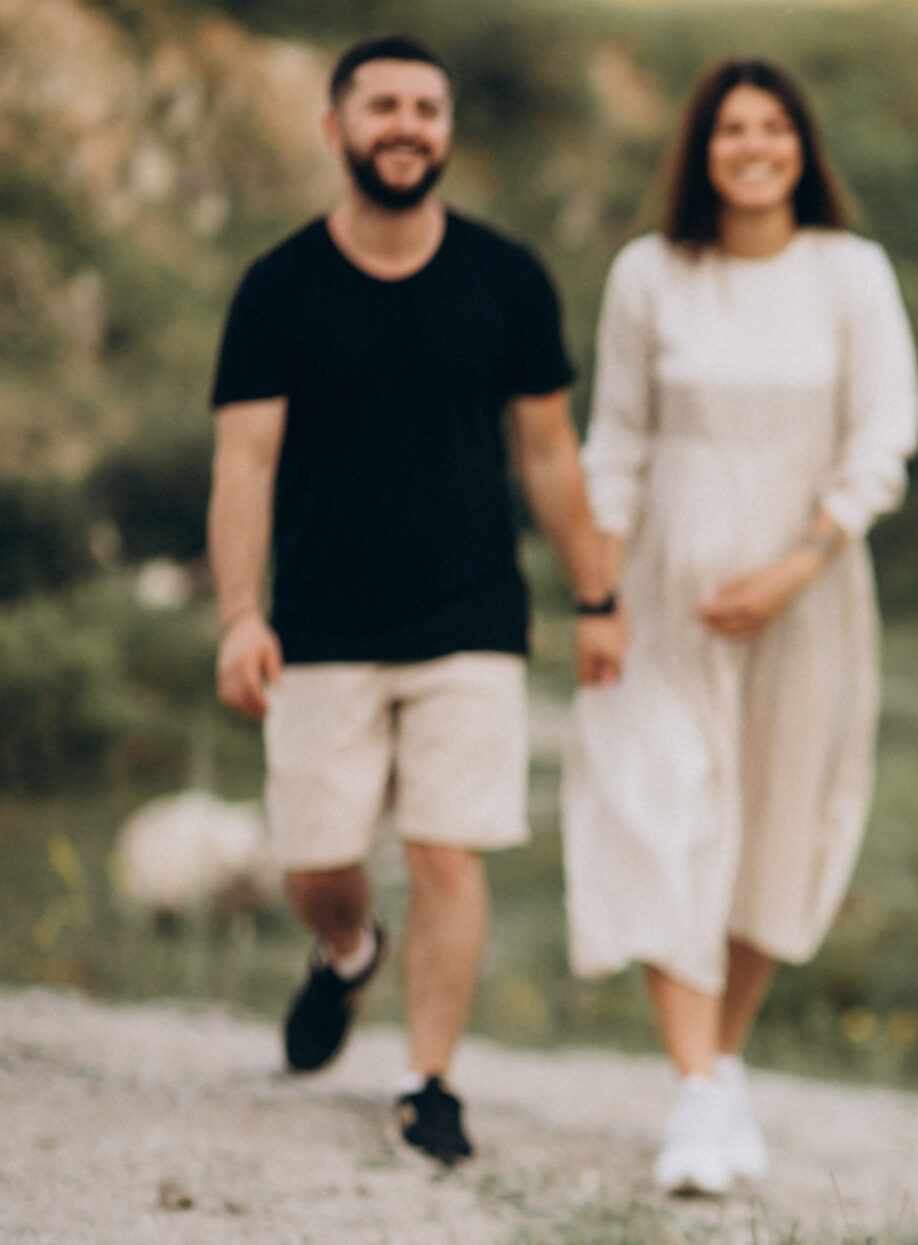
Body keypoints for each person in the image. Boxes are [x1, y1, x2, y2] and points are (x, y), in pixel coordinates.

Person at [208, 33, 624, 1165]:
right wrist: (241, 614)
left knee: (449, 851)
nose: (406, 125)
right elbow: (243, 462)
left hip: (469, 620)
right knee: (316, 863)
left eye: (426, 109)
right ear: (336, 127)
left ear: (448, 132)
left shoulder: (506, 279)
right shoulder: (278, 286)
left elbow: (547, 455)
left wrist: (596, 594)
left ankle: (427, 1080)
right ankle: (346, 954)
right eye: (382, 105)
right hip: (321, 625)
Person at [565, 57, 918, 1195]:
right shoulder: (649, 275)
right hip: (665, 594)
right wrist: (597, 593)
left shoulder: (849, 273)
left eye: (773, 128)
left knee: (775, 828)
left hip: (806, 595)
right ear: (701, 150)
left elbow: (882, 440)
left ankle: (718, 1063)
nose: (753, 147)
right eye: (731, 129)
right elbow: (612, 446)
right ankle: (694, 1093)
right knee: (659, 814)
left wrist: (793, 567)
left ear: (802, 148)